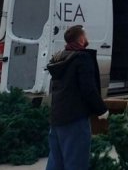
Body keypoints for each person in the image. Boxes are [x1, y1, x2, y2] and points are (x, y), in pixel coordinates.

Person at [45, 25, 108, 170]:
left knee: (56, 162)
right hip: (75, 119)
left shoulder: (60, 58)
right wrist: (102, 110)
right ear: (81, 39)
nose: (87, 38)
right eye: (85, 35)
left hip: (56, 119)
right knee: (76, 163)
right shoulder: (82, 59)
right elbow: (88, 89)